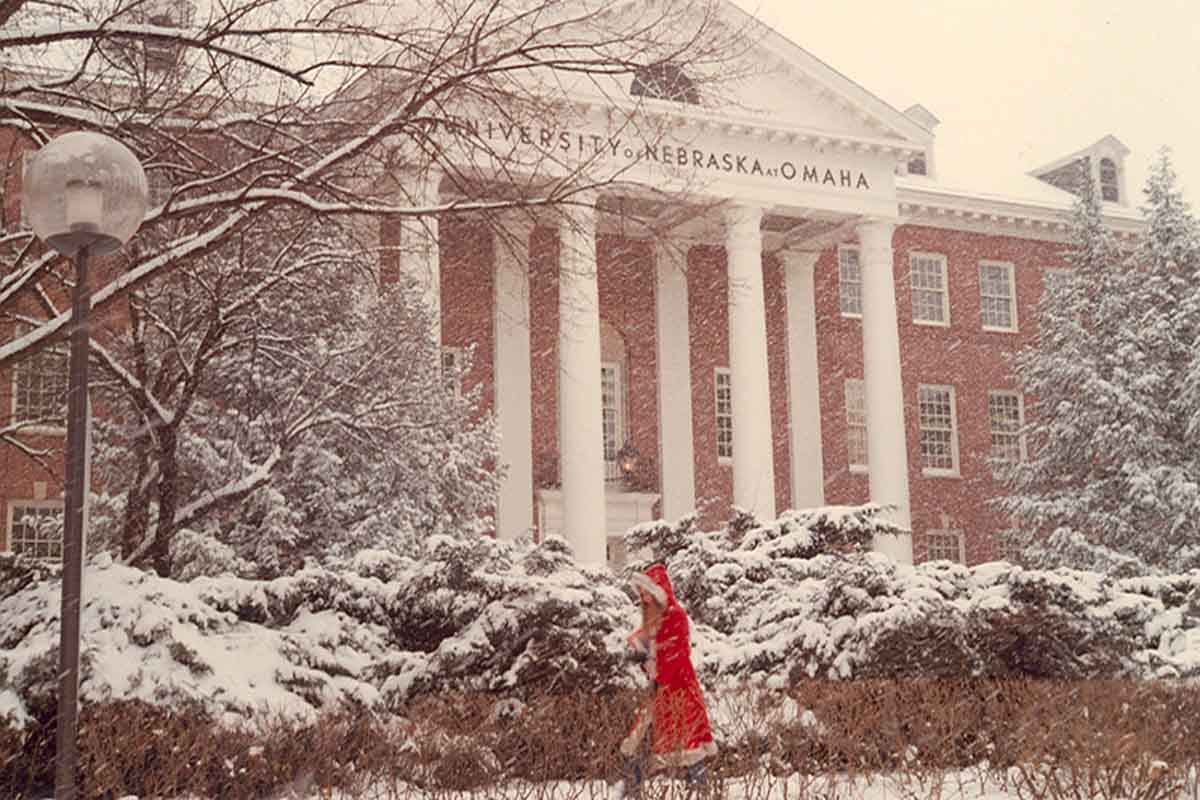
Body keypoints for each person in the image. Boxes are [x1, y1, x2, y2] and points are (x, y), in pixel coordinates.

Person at [614, 563, 717, 799]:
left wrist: (652, 662)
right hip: (659, 691)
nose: (643, 598)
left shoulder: (676, 616)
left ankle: (699, 792)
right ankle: (631, 792)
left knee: (691, 748)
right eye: (641, 594)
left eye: (646, 592)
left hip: (678, 690)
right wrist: (642, 655)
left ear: (659, 592)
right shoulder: (654, 619)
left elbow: (677, 655)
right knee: (639, 745)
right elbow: (653, 653)